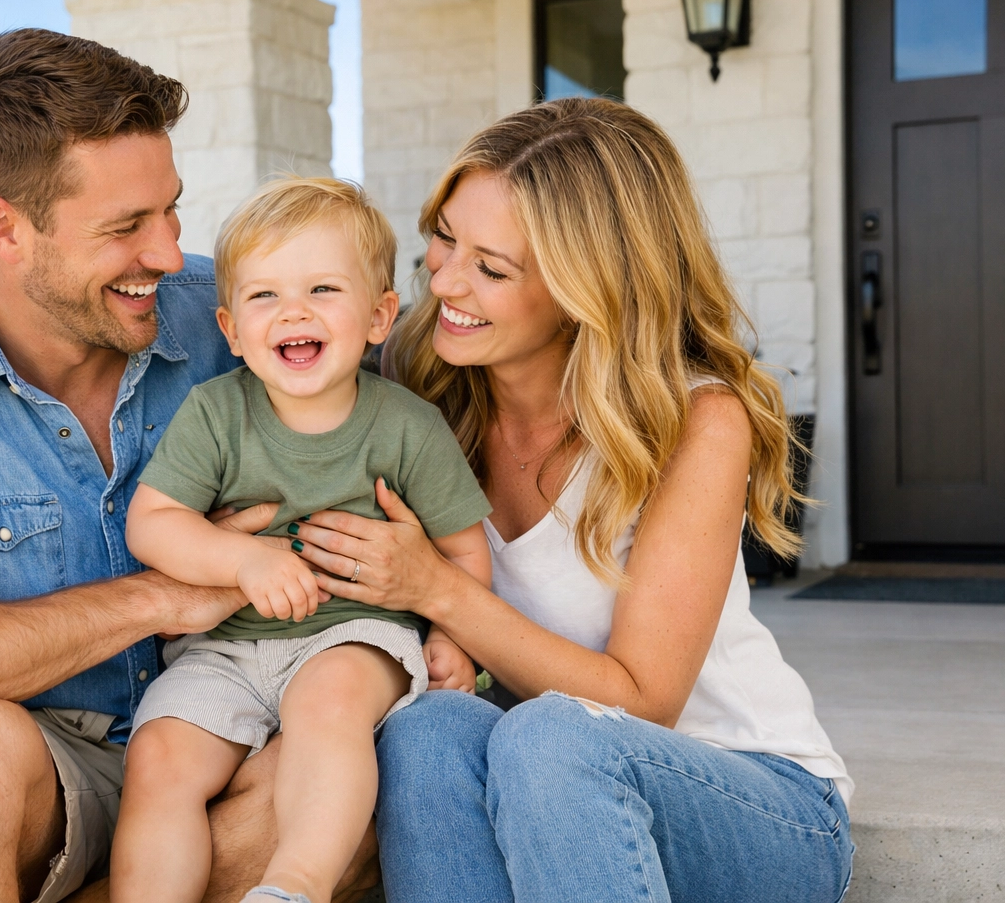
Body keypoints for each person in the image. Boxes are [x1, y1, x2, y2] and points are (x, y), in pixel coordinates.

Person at [0, 30, 375, 903]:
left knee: (361, 769)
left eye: (170, 209)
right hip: (25, 770)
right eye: (126, 227)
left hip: (231, 734)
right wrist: (160, 595)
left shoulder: (241, 319)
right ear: (3, 227)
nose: (170, 254)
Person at [286, 98, 855, 903]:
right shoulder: (421, 386)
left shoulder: (696, 419)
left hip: (756, 802)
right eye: (445, 237)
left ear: (587, 289)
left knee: (552, 736)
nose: (445, 281)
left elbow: (643, 700)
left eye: (492, 268)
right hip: (545, 791)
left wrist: (435, 586)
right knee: (426, 731)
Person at [111, 178, 492, 903]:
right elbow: (153, 522)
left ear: (380, 316)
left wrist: (453, 636)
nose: (293, 311)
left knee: (330, 707)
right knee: (160, 757)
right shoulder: (217, 413)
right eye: (264, 297)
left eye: (322, 288)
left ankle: (294, 886)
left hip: (352, 635)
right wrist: (241, 558)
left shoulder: (406, 427)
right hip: (223, 649)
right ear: (228, 329)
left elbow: (464, 551)